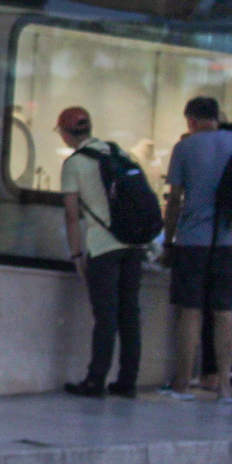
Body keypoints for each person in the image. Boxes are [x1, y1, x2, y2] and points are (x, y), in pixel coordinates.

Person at [159, 95, 232, 398]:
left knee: (190, 312)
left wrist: (168, 241)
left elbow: (174, 202)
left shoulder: (184, 147)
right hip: (229, 238)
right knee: (225, 313)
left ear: (192, 121)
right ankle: (224, 384)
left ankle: (183, 381)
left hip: (192, 241)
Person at [58, 106, 146, 398]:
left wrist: (75, 254)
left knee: (106, 316)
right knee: (129, 314)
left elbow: (72, 215)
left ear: (67, 133)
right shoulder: (117, 153)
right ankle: (128, 382)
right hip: (133, 245)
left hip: (103, 247)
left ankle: (95, 381)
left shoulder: (74, 164)